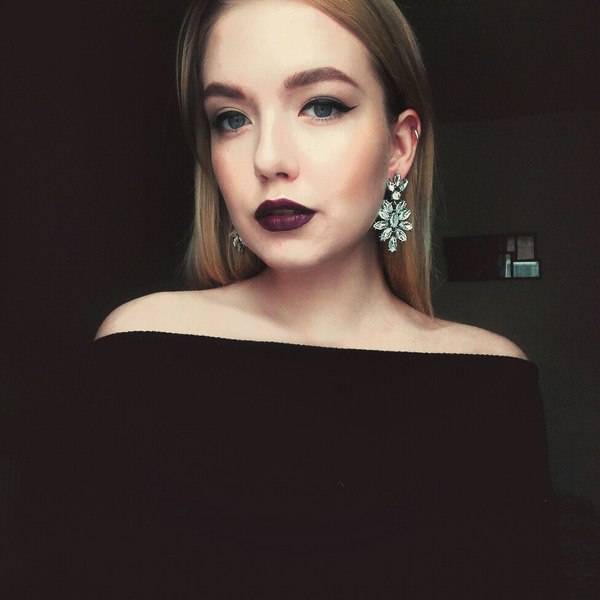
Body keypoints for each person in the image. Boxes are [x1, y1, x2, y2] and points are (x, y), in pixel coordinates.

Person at [8, 0, 564, 597]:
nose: (268, 159)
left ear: (399, 146)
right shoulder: (141, 348)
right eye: (231, 119)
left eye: (322, 106)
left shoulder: (491, 382)